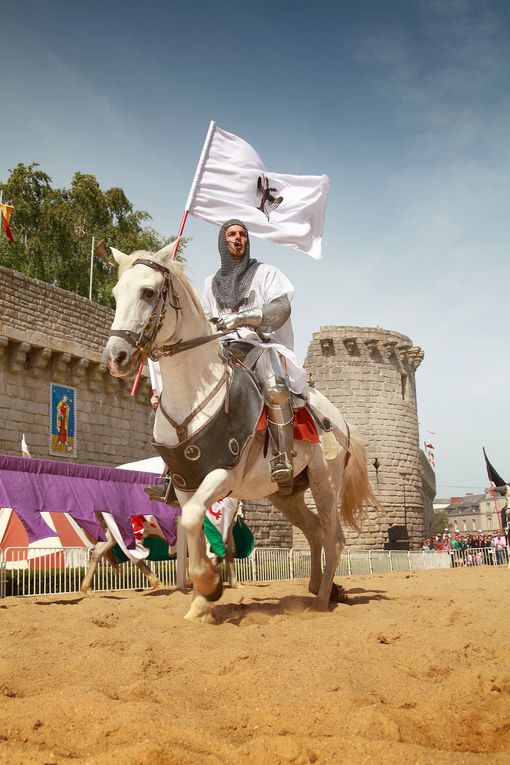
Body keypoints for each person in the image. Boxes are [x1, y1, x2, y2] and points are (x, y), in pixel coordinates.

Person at [201, 219, 307, 492]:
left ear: (248, 241)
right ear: (222, 242)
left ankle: (282, 456)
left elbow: (280, 309)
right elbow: (203, 320)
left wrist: (240, 319)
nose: (238, 238)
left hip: (259, 345)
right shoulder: (210, 283)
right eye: (232, 234)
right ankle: (175, 469)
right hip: (221, 349)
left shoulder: (266, 273)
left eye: (242, 235)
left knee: (275, 386)